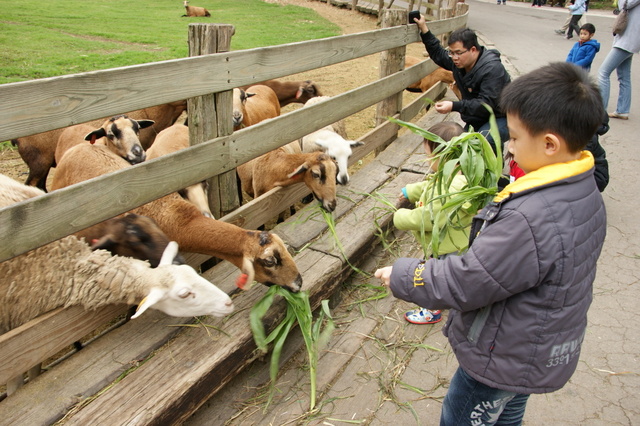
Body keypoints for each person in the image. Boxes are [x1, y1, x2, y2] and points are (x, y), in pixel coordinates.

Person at [374, 62, 606, 425]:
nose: (508, 148)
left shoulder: (531, 216)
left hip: (502, 355)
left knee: (463, 416)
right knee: (507, 414)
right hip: (535, 348)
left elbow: (470, 278)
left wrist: (405, 275)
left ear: (549, 144)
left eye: (513, 137)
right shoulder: (582, 189)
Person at [394, 121, 466, 325]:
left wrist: (400, 218)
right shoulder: (456, 174)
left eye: (428, 155)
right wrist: (411, 190)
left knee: (437, 278)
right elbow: (431, 184)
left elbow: (428, 217)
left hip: (448, 246)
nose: (427, 160)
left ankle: (433, 309)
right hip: (455, 243)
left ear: (441, 156)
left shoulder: (451, 189)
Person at [411, 15, 511, 152]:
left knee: (484, 138)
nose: (454, 58)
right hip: (478, 118)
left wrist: (454, 105)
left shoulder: (492, 69)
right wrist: (424, 28)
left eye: (458, 53)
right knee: (460, 145)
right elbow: (438, 53)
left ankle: (494, 171)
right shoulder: (459, 63)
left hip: (502, 118)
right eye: (451, 53)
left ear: (473, 50)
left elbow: (486, 104)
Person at [597, 0, 640, 120]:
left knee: (603, 72)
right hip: (631, 39)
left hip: (628, 39)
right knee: (624, 76)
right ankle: (623, 110)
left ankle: (601, 112)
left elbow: (624, 5)